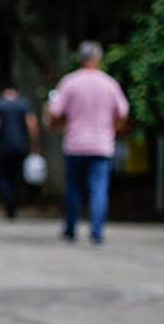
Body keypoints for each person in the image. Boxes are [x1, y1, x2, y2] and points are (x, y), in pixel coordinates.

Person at [46, 40, 129, 244]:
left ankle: (70, 229)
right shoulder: (109, 83)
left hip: (75, 143)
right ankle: (97, 231)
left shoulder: (69, 82)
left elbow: (55, 111)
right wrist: (114, 128)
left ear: (80, 59)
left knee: (73, 187)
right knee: (98, 188)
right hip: (102, 143)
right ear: (98, 59)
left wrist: (60, 124)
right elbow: (123, 112)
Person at [0, 80, 41, 218]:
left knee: (4, 176)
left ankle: (9, 200)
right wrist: (35, 143)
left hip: (3, 146)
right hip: (20, 146)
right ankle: (14, 201)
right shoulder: (24, 103)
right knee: (17, 175)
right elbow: (31, 124)